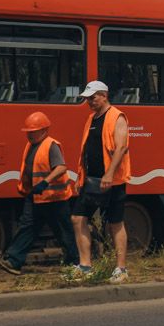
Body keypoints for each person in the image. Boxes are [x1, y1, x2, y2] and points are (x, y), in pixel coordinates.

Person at [0, 113, 79, 276]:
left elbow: (61, 167)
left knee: (63, 231)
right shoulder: (30, 145)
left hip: (55, 199)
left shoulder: (51, 145)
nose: (29, 134)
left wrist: (45, 182)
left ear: (44, 130)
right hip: (36, 196)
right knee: (27, 227)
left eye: (33, 131)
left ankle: (74, 263)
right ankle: (13, 261)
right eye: (28, 131)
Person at [70, 80, 132, 283]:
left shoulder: (117, 116)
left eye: (92, 97)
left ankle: (121, 269)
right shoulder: (91, 118)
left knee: (115, 223)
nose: (89, 101)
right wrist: (81, 176)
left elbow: (121, 148)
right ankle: (85, 266)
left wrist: (109, 174)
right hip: (91, 180)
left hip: (112, 181)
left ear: (104, 95)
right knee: (78, 218)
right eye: (87, 98)